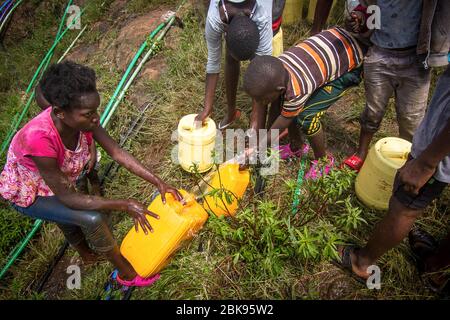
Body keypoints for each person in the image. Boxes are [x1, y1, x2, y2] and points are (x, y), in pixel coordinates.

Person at [0, 61, 183, 287]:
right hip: (28, 191)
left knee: (69, 213)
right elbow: (68, 197)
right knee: (91, 218)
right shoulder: (39, 138)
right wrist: (126, 204)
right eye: (89, 114)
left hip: (53, 180)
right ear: (59, 112)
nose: (96, 118)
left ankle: (86, 255)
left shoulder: (83, 119)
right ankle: (126, 275)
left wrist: (159, 183)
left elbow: (117, 152)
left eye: (96, 110)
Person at [336, 65, 450, 293]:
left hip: (439, 151)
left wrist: (426, 162)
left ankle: (362, 262)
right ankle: (437, 265)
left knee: (406, 207)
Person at [242, 26, 366, 178]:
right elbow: (278, 110)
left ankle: (323, 161)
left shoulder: (297, 90)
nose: (259, 103)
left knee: (307, 117)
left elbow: (283, 120)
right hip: (335, 42)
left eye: (262, 99)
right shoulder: (277, 68)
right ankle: (297, 146)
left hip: (350, 64)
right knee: (288, 108)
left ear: (280, 88)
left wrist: (258, 146)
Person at [343, 0, 450, 171]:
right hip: (379, 55)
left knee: (411, 120)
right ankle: (361, 153)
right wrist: (359, 18)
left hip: (416, 61)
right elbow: (369, 12)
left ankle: (406, 161)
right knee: (372, 111)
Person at [195, 0, 273, 130]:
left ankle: (254, 118)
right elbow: (213, 61)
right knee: (231, 58)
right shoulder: (215, 18)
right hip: (227, 22)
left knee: (259, 65)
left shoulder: (263, 17)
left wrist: (255, 122)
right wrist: (206, 108)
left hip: (262, 12)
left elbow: (262, 66)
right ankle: (231, 111)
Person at [35, 84, 101, 195]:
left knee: (92, 172)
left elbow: (89, 135)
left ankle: (96, 188)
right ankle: (89, 201)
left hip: (84, 157)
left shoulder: (76, 118)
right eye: (48, 109)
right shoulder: (44, 134)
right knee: (80, 184)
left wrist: (92, 153)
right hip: (71, 168)